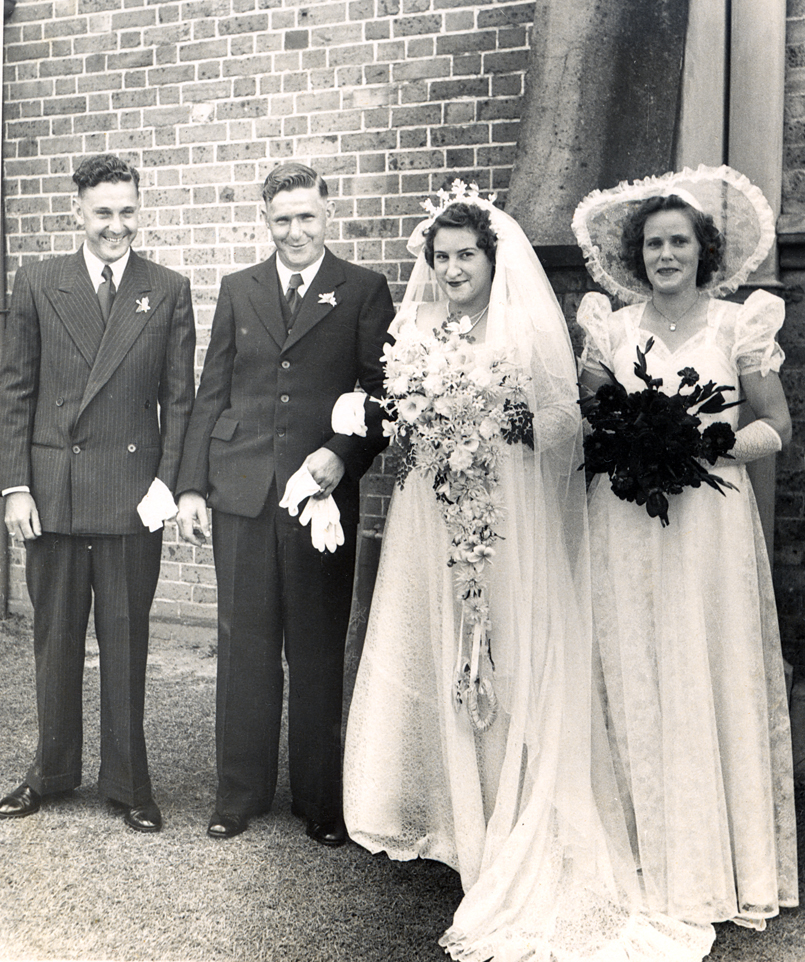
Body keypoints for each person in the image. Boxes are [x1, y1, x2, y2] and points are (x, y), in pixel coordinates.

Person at [344, 183, 716, 961]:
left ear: (491, 259)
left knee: (508, 654)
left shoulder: (521, 326)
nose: (452, 270)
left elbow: (561, 424)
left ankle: (516, 817)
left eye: (464, 257)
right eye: (440, 258)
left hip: (509, 519)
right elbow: (400, 428)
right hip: (432, 515)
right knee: (446, 651)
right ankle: (460, 811)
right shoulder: (416, 329)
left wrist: (495, 421)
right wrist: (420, 421)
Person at [573, 164, 798, 931]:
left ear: (703, 250)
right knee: (632, 658)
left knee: (704, 664)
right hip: (626, 516)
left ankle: (712, 860)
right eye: (651, 244)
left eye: (677, 241)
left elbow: (777, 426)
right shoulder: (611, 326)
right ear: (637, 256)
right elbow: (594, 413)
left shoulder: (741, 324)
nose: (664, 254)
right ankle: (638, 848)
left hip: (706, 522)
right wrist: (631, 436)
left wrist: (710, 441)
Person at [175, 162, 395, 846]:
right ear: (264, 221)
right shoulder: (239, 289)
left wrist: (341, 454)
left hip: (317, 497)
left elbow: (381, 396)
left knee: (317, 645)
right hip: (241, 490)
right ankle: (238, 794)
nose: (295, 231)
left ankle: (319, 800)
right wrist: (190, 486)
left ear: (326, 214)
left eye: (306, 216)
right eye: (282, 219)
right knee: (243, 644)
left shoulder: (361, 290)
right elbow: (212, 392)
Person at [0, 153, 196, 833]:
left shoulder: (166, 288)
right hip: (52, 497)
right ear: (76, 212)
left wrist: (167, 487)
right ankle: (50, 774)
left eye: (127, 211)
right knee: (53, 642)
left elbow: (181, 401)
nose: (117, 226)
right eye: (104, 212)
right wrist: (15, 488)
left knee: (124, 642)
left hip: (130, 497)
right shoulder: (36, 282)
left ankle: (128, 783)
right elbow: (15, 390)